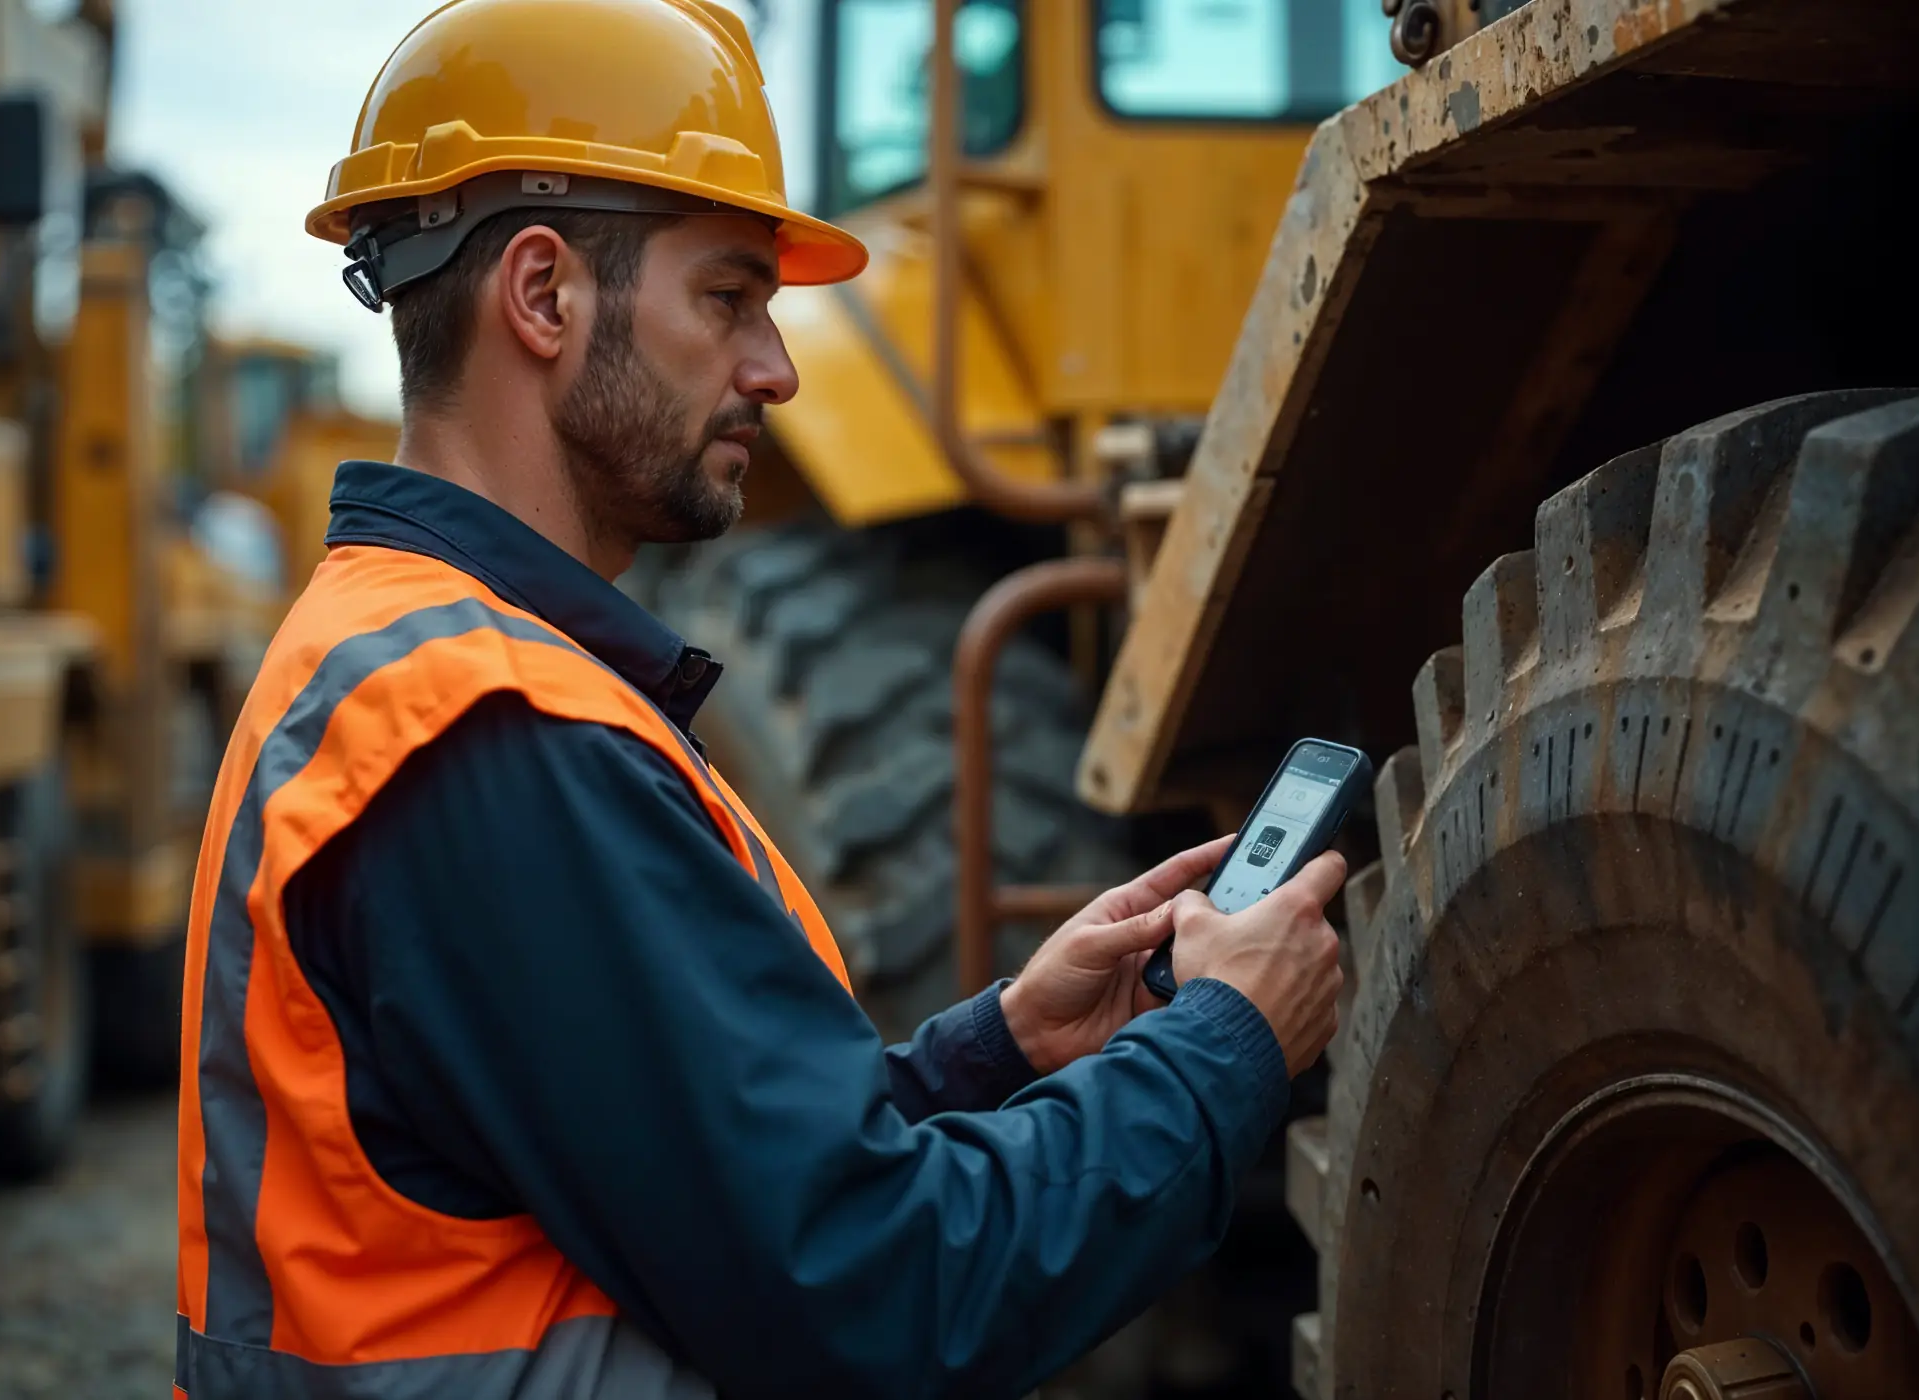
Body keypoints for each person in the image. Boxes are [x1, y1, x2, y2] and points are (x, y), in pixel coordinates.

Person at [172, 3, 1346, 1397]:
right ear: (544, 296)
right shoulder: (488, 734)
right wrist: (1225, 1049)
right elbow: (878, 1298)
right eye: (728, 298)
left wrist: (998, 1046)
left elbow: (680, 1175)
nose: (776, 368)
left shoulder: (407, 661)